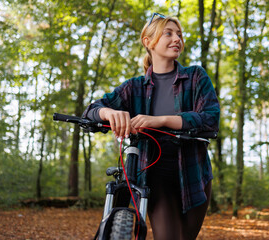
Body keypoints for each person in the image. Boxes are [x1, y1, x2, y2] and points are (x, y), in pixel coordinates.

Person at [83, 13, 220, 240]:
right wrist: (109, 112)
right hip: (154, 175)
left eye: (179, 34)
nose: (177, 38)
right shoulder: (133, 88)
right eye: (168, 33)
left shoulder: (196, 77)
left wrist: (160, 120)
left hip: (194, 174)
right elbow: (92, 109)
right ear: (148, 42)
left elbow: (210, 118)